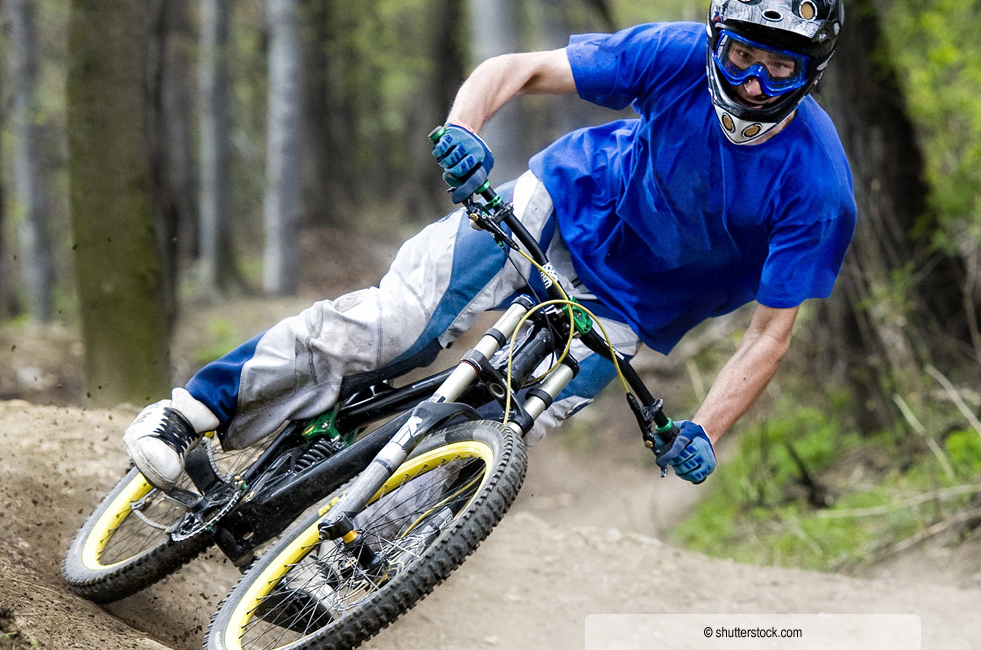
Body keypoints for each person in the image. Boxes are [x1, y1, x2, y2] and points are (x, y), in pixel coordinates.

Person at [122, 0, 856, 489]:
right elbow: (519, 69)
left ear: (810, 70)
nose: (756, 83)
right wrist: (467, 129)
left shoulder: (819, 189)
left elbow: (768, 336)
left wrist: (707, 428)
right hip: (563, 204)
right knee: (398, 326)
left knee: (493, 443)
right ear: (715, 43)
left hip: (632, 307)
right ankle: (188, 412)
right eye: (740, 58)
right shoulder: (672, 54)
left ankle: (355, 562)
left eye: (781, 67)